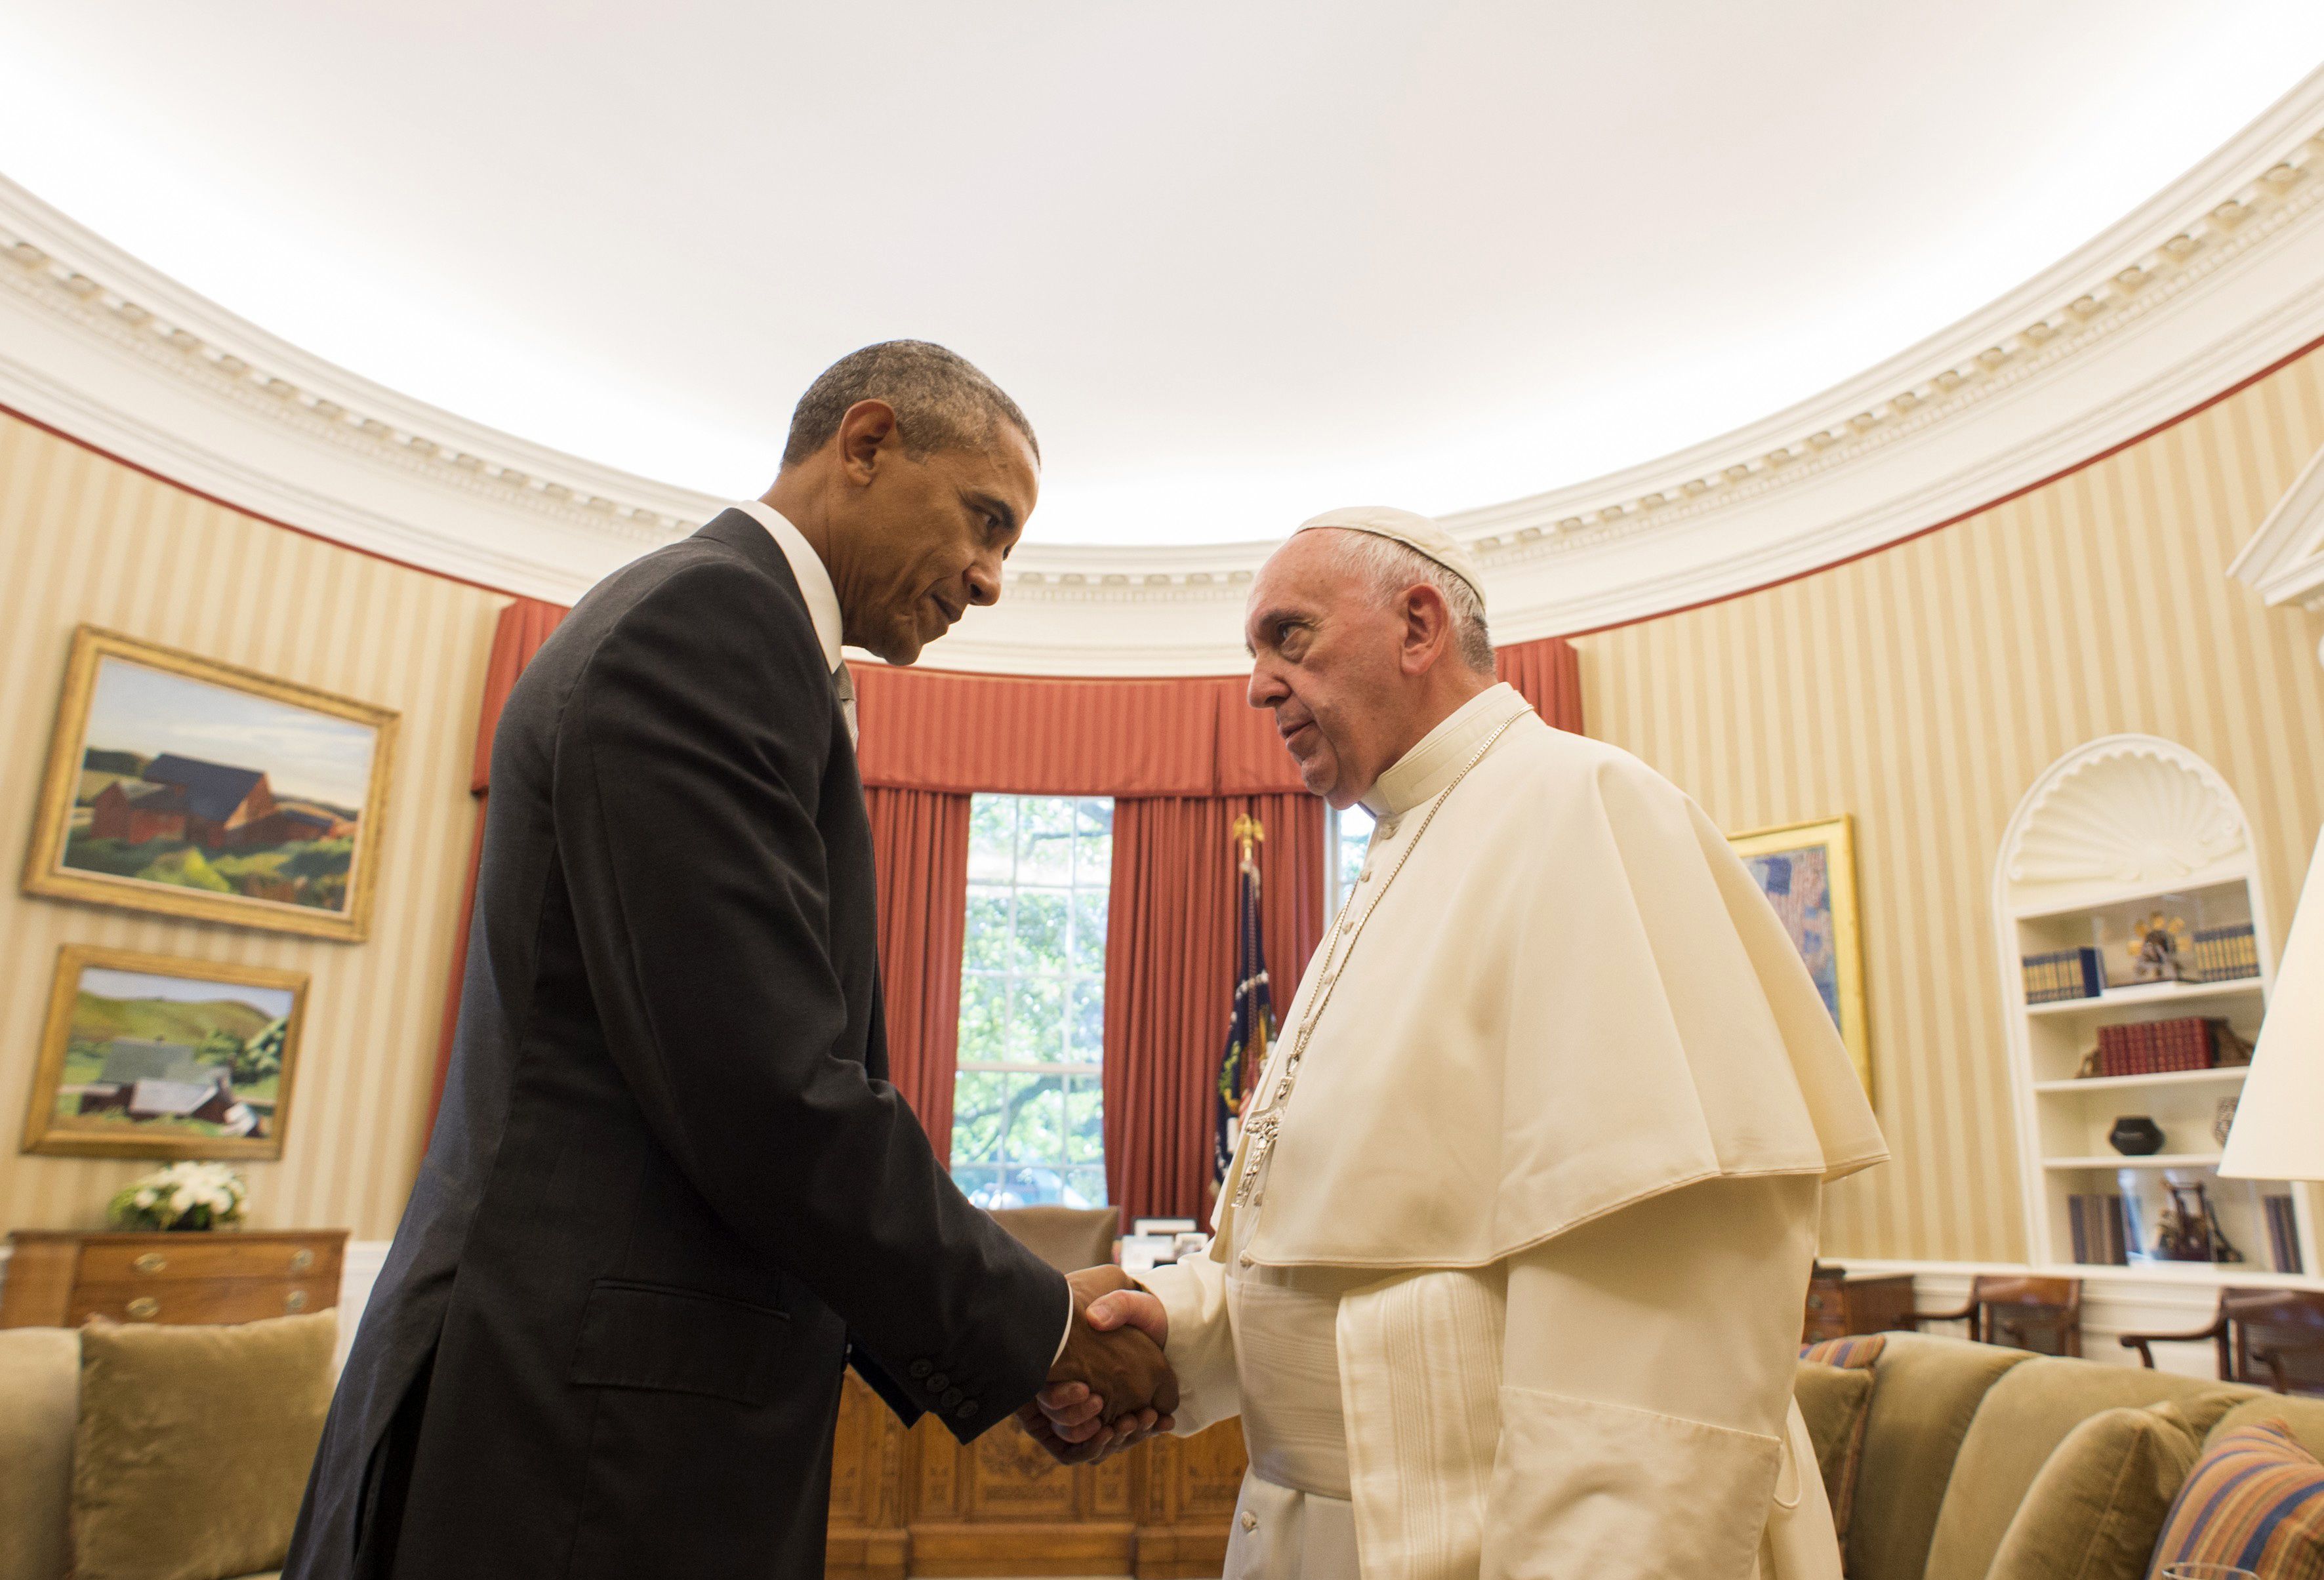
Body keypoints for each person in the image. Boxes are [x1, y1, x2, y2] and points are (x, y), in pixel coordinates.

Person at [285, 342, 1174, 1580]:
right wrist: (1037, 1328)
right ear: (864, 445)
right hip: (572, 1441)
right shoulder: (710, 623)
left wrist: (1015, 1335)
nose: (991, 580)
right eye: (986, 521)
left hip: (607, 1418)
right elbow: (765, 1091)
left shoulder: (741, 637)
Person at [1024, 507, 1888, 1578]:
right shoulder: (1398, 852)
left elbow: (1650, 1351)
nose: (1255, 685)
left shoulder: (1583, 806)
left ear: (1419, 625)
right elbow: (1356, 1267)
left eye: (1287, 636)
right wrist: (1174, 1324)